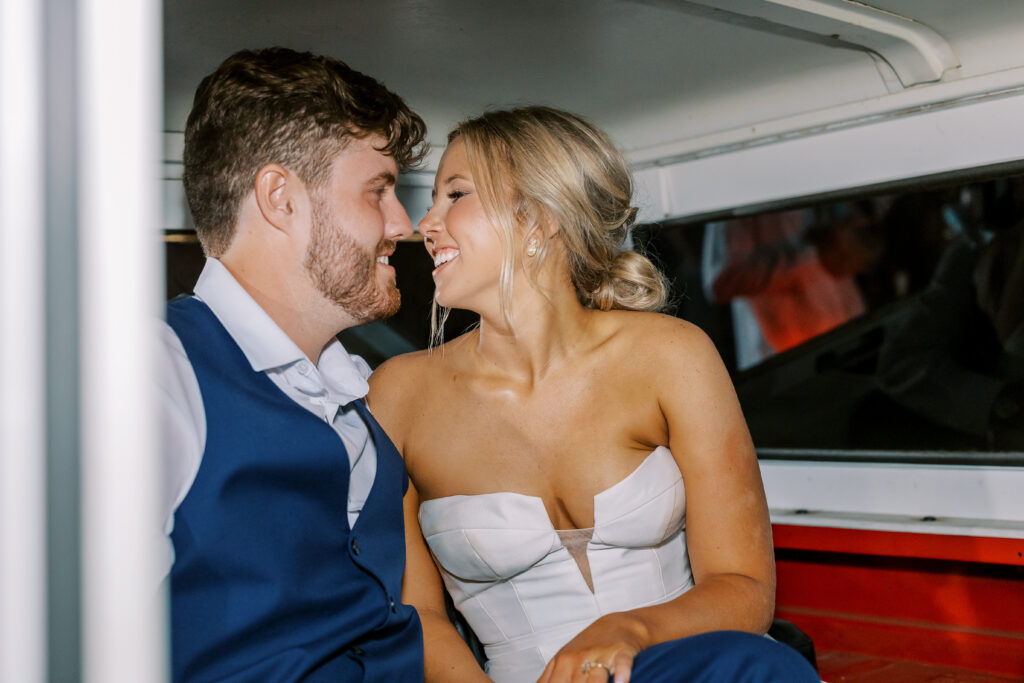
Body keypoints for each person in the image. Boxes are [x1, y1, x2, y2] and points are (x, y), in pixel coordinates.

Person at [368, 107, 820, 682]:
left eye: (455, 195)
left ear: (542, 217)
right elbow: (417, 617)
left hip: (687, 667)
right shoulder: (399, 395)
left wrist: (632, 630)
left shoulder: (671, 356)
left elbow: (745, 589)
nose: (423, 223)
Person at [159, 48, 427, 681]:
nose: (403, 223)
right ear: (280, 198)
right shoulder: (153, 371)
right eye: (378, 191)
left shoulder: (360, 400)